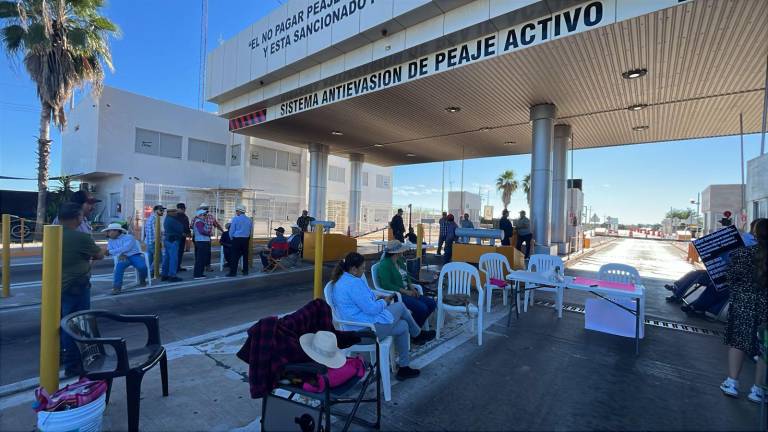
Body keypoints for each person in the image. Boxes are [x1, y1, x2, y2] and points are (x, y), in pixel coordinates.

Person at [328, 252, 434, 381]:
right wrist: (385, 302)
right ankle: (418, 334)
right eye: (362, 268)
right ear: (354, 269)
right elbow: (371, 309)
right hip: (364, 332)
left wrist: (378, 299)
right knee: (400, 306)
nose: (364, 271)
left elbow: (363, 302)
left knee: (403, 325)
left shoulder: (344, 280)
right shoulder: (353, 284)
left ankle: (404, 368)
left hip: (357, 328)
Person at [719, 218, 768, 403]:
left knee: (738, 343)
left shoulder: (742, 253)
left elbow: (729, 278)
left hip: (743, 304)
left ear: (753, 233)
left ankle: (732, 383)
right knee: (764, 348)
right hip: (766, 307)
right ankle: (758, 390)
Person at [59, 203, 104, 376]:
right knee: (75, 325)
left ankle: (60, 355)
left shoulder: (51, 234)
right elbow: (99, 254)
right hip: (76, 286)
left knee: (60, 323)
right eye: (81, 216)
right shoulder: (80, 237)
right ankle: (73, 364)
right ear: (77, 217)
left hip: (56, 287)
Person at [376, 240, 437, 328]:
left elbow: (407, 275)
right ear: (397, 252)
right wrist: (405, 291)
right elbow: (386, 285)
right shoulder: (384, 265)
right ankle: (414, 330)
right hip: (396, 295)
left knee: (431, 303)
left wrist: (412, 288)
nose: (403, 252)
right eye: (401, 250)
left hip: (407, 292)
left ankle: (414, 327)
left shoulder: (399, 261)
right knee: (422, 308)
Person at [103, 223, 147, 295]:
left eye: (109, 231)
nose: (108, 233)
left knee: (142, 266)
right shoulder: (110, 240)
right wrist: (118, 254)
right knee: (118, 268)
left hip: (134, 255)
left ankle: (142, 280)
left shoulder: (129, 237)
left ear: (116, 231)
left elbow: (126, 248)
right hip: (122, 257)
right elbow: (110, 251)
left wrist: (111, 252)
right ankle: (117, 287)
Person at [227, 205, 253, 277]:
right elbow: (250, 230)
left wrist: (231, 238)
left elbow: (231, 230)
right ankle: (245, 271)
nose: (236, 212)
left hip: (237, 239)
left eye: (237, 211)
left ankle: (233, 272)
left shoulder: (235, 219)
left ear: (239, 211)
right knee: (245, 256)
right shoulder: (249, 220)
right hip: (245, 239)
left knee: (234, 256)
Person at [198, 203, 223, 272]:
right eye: (204, 208)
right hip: (199, 238)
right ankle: (199, 267)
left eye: (206, 208)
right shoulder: (197, 217)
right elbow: (192, 226)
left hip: (207, 238)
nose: (205, 210)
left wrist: (223, 231)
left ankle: (207, 266)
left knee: (207, 253)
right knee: (199, 253)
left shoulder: (211, 217)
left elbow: (217, 225)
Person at [161, 208, 184, 282]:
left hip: (168, 240)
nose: (176, 213)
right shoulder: (172, 220)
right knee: (173, 259)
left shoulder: (167, 219)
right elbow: (181, 228)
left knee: (167, 258)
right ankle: (172, 275)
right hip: (173, 240)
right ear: (170, 212)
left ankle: (164, 275)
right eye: (174, 211)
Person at [144, 205, 165, 276]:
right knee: (159, 258)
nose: (163, 212)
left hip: (148, 241)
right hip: (154, 241)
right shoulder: (155, 219)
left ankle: (149, 273)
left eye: (163, 210)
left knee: (150, 259)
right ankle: (151, 271)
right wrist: (160, 240)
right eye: (161, 210)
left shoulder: (149, 218)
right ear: (155, 211)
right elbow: (156, 232)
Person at [192, 209, 212, 279]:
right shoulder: (199, 221)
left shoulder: (200, 221)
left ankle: (199, 273)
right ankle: (198, 274)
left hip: (201, 241)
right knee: (201, 258)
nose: (206, 216)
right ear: (200, 215)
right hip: (202, 241)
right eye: (204, 215)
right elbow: (201, 231)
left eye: (206, 215)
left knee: (201, 258)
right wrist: (209, 233)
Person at [175, 203, 191, 273]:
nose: (184, 210)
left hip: (182, 237)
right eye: (183, 209)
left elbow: (186, 226)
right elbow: (175, 227)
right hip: (177, 237)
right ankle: (175, 267)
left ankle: (178, 266)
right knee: (177, 252)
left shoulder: (184, 216)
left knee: (180, 252)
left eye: (184, 209)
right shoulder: (176, 216)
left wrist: (188, 233)